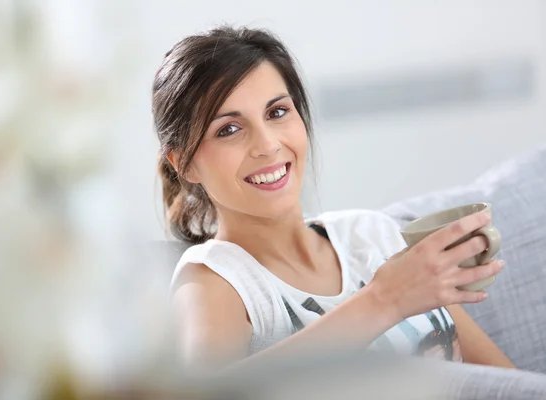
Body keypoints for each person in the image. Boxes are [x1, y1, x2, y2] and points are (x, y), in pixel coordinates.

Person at [152, 25, 515, 372]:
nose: (268, 145)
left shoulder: (372, 232)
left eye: (277, 112)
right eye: (228, 129)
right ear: (184, 164)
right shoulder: (215, 279)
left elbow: (510, 385)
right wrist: (384, 299)